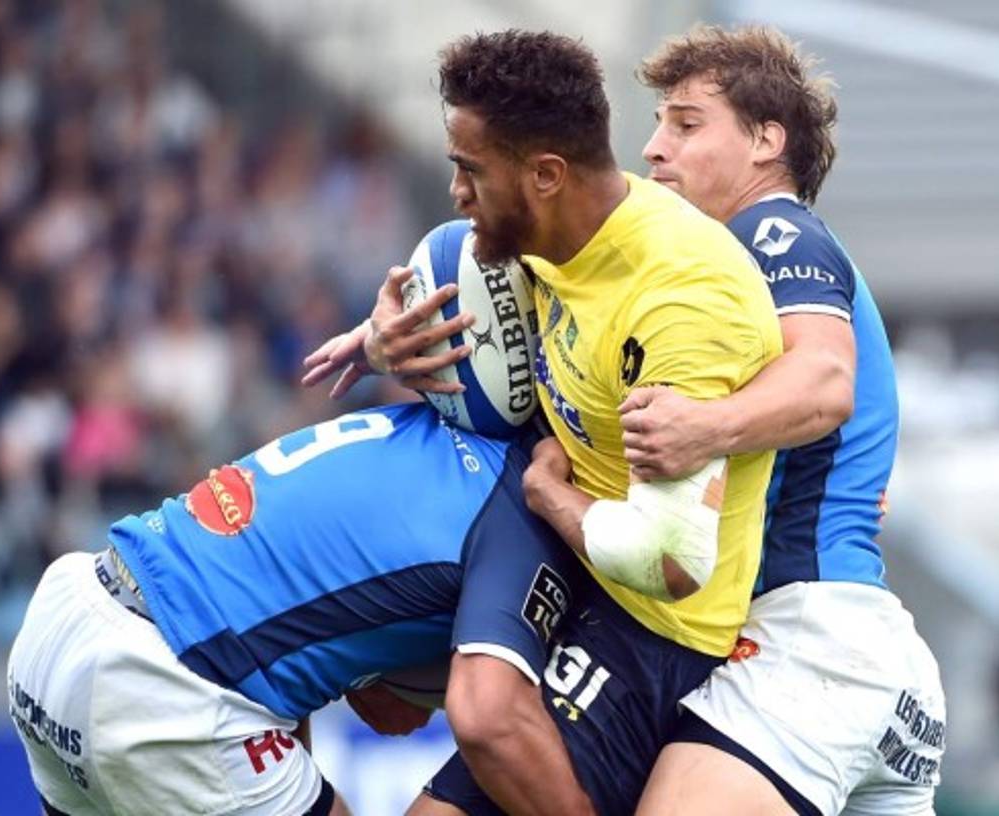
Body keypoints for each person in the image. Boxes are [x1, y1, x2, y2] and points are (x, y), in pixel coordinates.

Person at [302, 29, 784, 816]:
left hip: (652, 628)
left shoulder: (683, 299)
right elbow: (471, 300)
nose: (456, 193)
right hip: (562, 560)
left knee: (473, 741)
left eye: (470, 171)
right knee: (381, 704)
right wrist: (383, 340)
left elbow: (670, 561)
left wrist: (548, 495)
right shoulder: (548, 231)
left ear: (546, 175)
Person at [621, 26, 945, 816]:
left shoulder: (772, 231)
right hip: (858, 651)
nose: (655, 148)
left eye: (687, 124)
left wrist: (706, 427)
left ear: (768, 141)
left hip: (814, 644)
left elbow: (825, 381)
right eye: (661, 122)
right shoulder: (715, 267)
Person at [7, 402, 595, 816]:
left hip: (68, 609)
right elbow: (489, 721)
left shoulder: (418, 426)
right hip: (167, 682)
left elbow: (282, 619)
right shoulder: (518, 514)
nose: (423, 716)